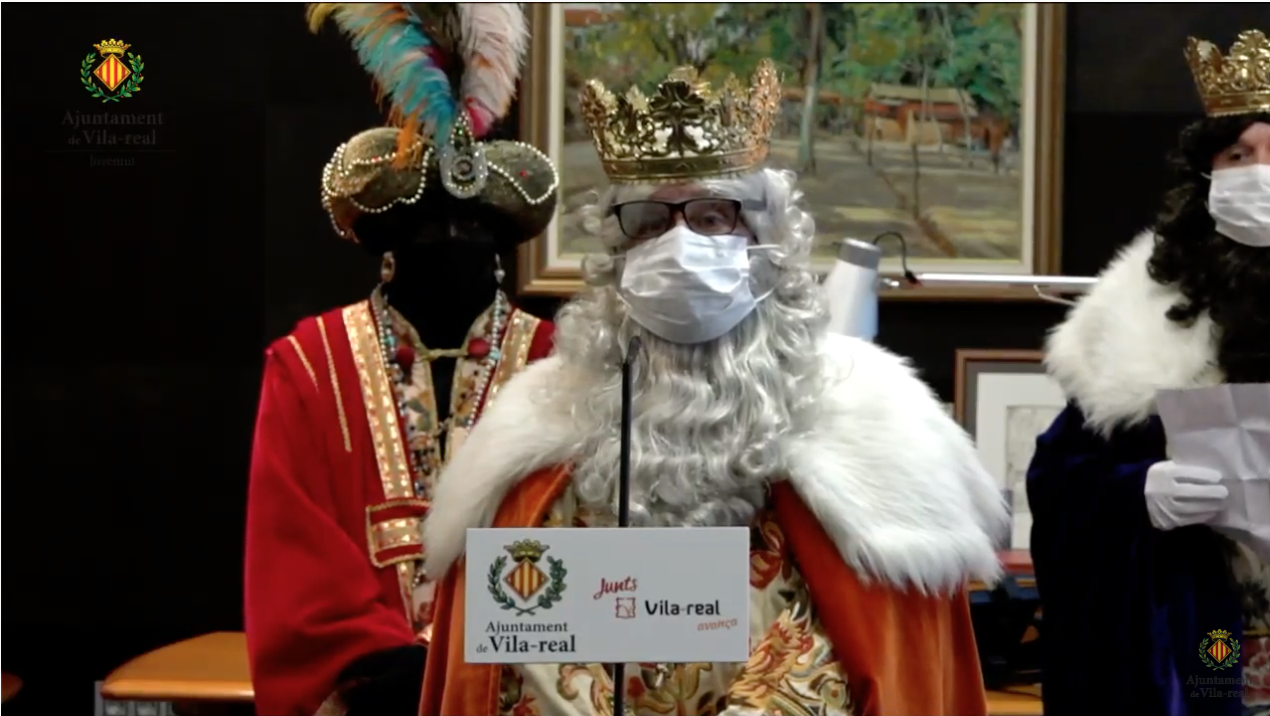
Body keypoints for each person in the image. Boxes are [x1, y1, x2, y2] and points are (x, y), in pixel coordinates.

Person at [416, 60, 1008, 716]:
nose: (680, 245)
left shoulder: (874, 424)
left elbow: (875, 649)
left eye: (712, 217)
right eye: (650, 221)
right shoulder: (539, 428)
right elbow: (520, 625)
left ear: (768, 243)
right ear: (617, 253)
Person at [244, 5, 558, 715]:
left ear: (499, 238)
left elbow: (582, 541)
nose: (451, 239)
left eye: (472, 223)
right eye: (425, 224)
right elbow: (292, 553)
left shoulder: (555, 364)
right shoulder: (309, 366)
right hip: (365, 699)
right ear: (388, 241)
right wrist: (383, 662)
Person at [1027, 29, 1270, 716]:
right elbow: (1058, 481)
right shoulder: (1134, 319)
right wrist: (1138, 491)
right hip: (1205, 634)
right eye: (1240, 154)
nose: (1261, 173)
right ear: (1207, 174)